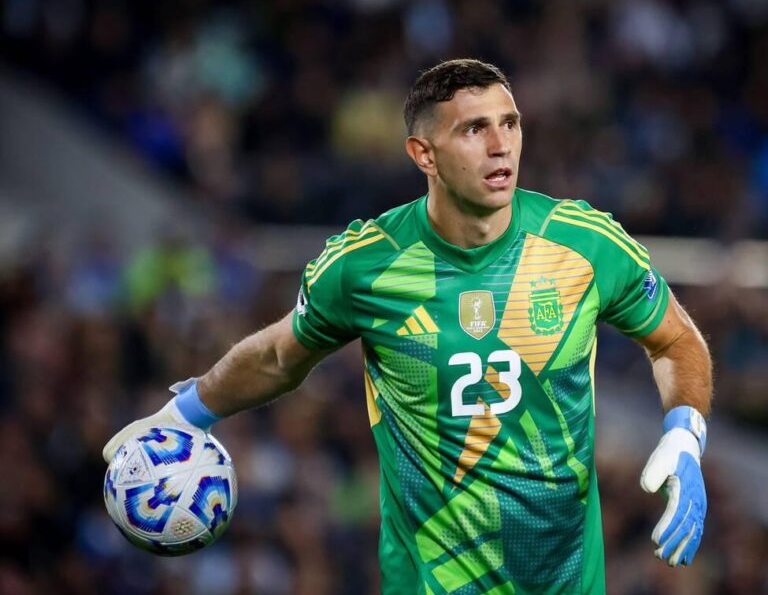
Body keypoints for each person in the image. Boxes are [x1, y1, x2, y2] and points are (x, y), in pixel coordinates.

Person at [103, 59, 713, 593]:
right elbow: (280, 357)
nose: (502, 145)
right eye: (475, 129)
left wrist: (686, 433)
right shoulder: (365, 264)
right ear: (424, 154)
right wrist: (189, 412)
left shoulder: (584, 245)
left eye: (511, 123)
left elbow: (676, 339)